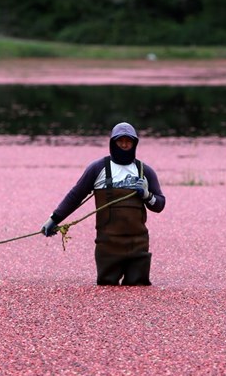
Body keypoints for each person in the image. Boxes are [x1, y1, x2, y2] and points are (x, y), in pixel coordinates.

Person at [41, 122, 166, 286]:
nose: (124, 144)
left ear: (134, 143)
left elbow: (159, 205)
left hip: (138, 244)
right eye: (120, 140)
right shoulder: (97, 168)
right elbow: (75, 196)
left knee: (139, 287)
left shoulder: (145, 171)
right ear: (112, 142)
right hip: (108, 245)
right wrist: (54, 220)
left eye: (128, 141)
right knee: (107, 287)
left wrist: (147, 195)